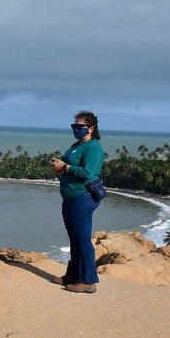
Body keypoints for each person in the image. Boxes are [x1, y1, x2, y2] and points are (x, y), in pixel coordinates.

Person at [49, 110, 105, 293]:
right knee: (74, 239)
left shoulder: (94, 148)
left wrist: (64, 167)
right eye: (74, 126)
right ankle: (73, 275)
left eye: (79, 127)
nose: (76, 129)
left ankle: (88, 280)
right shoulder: (76, 145)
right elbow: (66, 163)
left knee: (82, 240)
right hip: (71, 198)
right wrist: (58, 167)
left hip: (83, 197)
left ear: (91, 128)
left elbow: (87, 173)